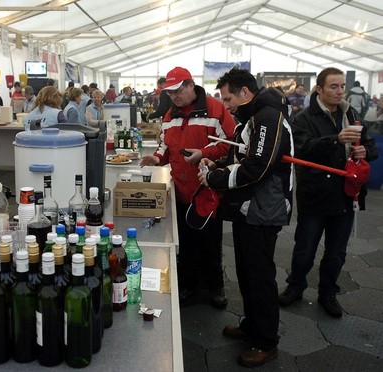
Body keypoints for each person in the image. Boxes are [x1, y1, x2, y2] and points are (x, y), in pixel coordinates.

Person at [199, 68, 294, 367]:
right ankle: (252, 326)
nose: (226, 105)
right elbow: (241, 154)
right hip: (247, 209)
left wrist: (215, 178)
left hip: (264, 210)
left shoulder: (268, 116)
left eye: (228, 98)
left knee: (260, 276)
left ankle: (266, 341)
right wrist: (216, 161)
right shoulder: (253, 117)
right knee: (245, 271)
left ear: (244, 92)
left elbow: (257, 166)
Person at [278, 67, 378, 318]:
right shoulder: (304, 118)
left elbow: (370, 146)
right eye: (334, 86)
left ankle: (328, 292)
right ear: (319, 89)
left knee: (337, 251)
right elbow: (300, 150)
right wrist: (336, 139)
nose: (339, 91)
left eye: (342, 86)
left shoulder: (351, 113)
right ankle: (295, 286)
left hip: (346, 195)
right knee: (305, 247)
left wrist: (365, 151)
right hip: (315, 194)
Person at [140, 67, 235, 309]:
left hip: (208, 191)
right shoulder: (169, 116)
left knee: (211, 243)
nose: (174, 96)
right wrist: (156, 158)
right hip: (182, 190)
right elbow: (164, 146)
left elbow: (232, 146)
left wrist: (204, 153)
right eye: (170, 93)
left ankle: (216, 287)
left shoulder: (215, 109)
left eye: (178, 90)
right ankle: (189, 286)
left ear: (191, 85)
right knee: (187, 243)